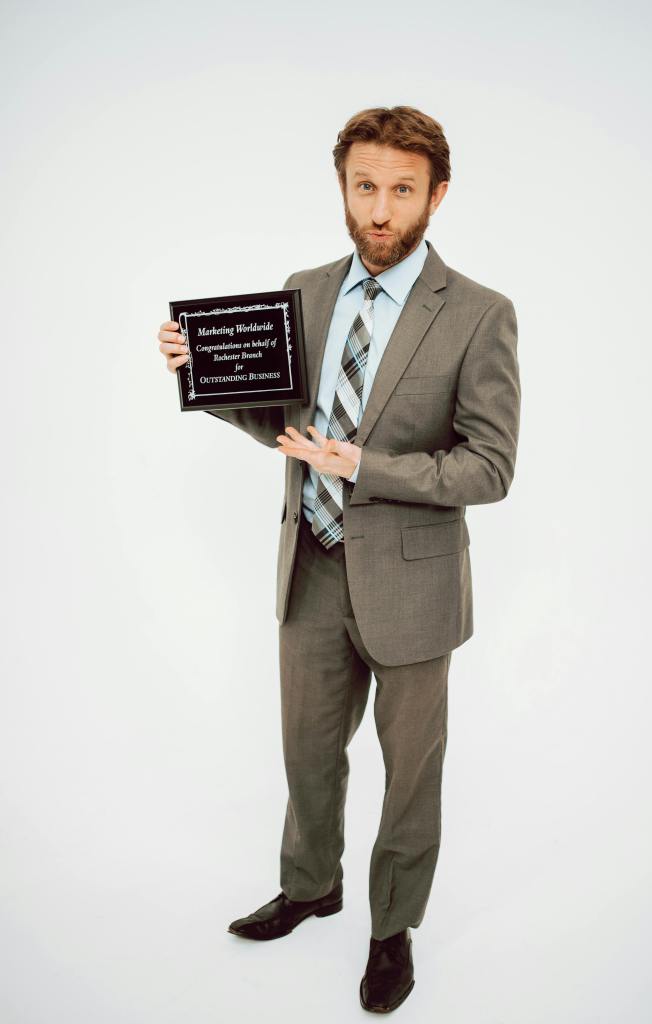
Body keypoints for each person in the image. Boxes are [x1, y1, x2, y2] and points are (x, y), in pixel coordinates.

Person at [157, 105, 521, 1014]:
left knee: (410, 771)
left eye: (401, 190)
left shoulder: (478, 313)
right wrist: (202, 375)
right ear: (343, 187)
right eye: (365, 187)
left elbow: (489, 467)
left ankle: (392, 929)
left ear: (436, 195)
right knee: (307, 751)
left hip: (412, 584)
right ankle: (310, 885)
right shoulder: (305, 291)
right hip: (311, 563)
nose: (380, 210)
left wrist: (364, 465)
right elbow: (283, 425)